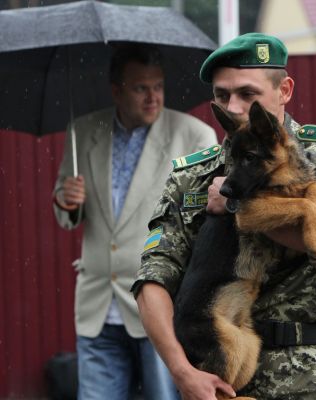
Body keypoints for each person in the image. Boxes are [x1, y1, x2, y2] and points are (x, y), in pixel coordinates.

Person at [131, 33, 316, 400]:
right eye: (222, 95)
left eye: (247, 94)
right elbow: (152, 280)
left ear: (284, 90)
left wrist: (234, 204)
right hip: (220, 375)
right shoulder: (192, 176)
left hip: (309, 375)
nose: (234, 106)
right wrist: (182, 372)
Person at [52, 43, 217, 400]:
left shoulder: (195, 136)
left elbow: (205, 222)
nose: (153, 97)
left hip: (162, 304)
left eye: (158, 86)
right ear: (116, 90)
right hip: (98, 303)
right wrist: (67, 201)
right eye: (141, 88)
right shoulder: (83, 131)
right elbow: (66, 214)